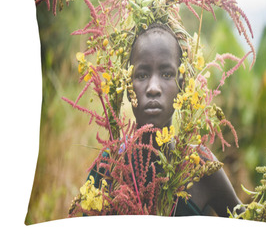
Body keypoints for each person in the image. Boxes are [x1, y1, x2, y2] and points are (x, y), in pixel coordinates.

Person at [89, 22, 244, 217]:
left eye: (166, 74)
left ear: (181, 86)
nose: (153, 87)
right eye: (142, 75)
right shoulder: (108, 168)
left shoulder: (199, 167)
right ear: (129, 89)